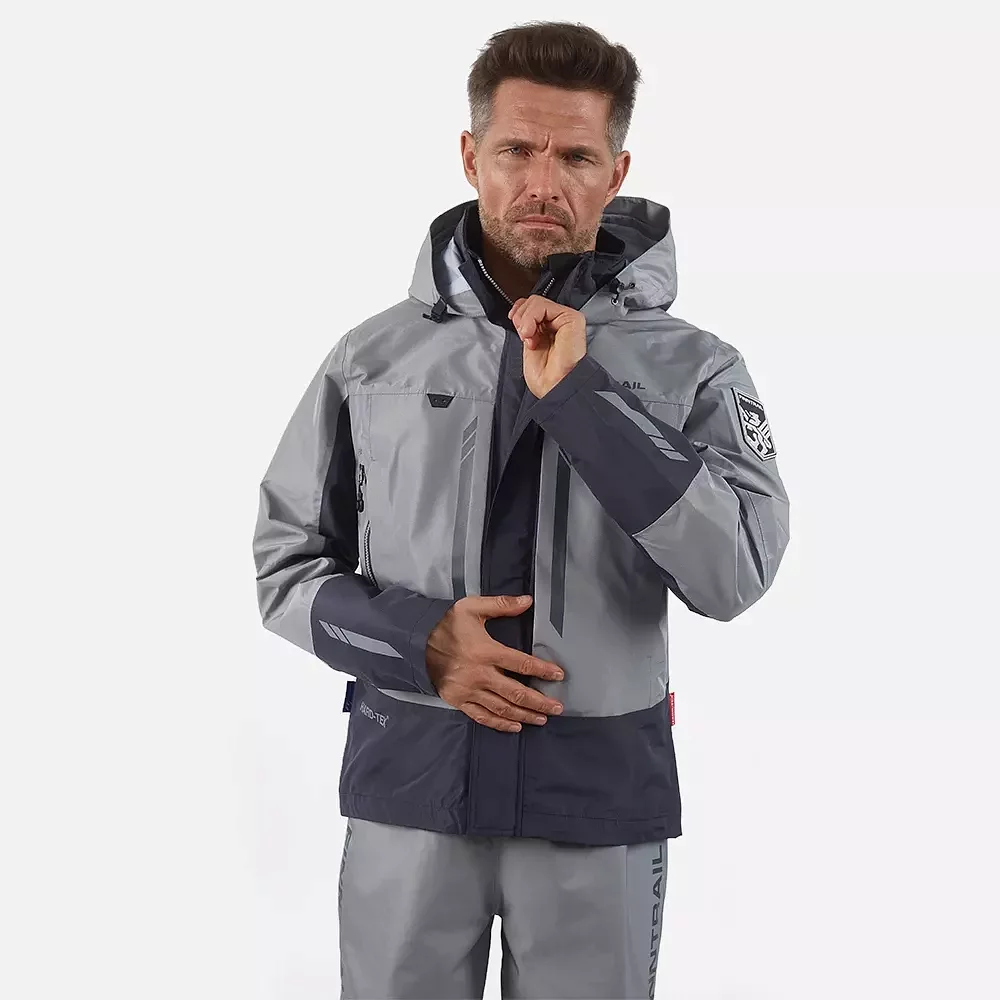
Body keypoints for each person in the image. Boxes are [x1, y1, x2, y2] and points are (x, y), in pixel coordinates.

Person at [253, 19, 790, 1000]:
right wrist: (416, 643)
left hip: (596, 802)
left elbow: (734, 574)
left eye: (575, 156)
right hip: (411, 784)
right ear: (471, 157)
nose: (543, 182)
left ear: (616, 172)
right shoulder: (370, 359)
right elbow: (285, 567)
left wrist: (585, 400)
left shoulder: (695, 370)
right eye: (516, 151)